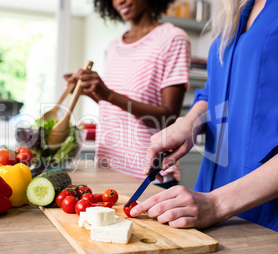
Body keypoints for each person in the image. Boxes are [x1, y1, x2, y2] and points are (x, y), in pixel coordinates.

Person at [130, 0, 278, 236]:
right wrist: (189, 123)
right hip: (209, 208)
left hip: (274, 219)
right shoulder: (238, 10)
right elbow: (215, 91)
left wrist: (217, 203)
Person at [68, 0, 190, 188]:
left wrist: (107, 94)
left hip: (147, 177)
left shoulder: (173, 38)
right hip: (108, 169)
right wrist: (88, 91)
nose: (119, 1)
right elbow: (113, 106)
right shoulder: (115, 46)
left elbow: (168, 117)